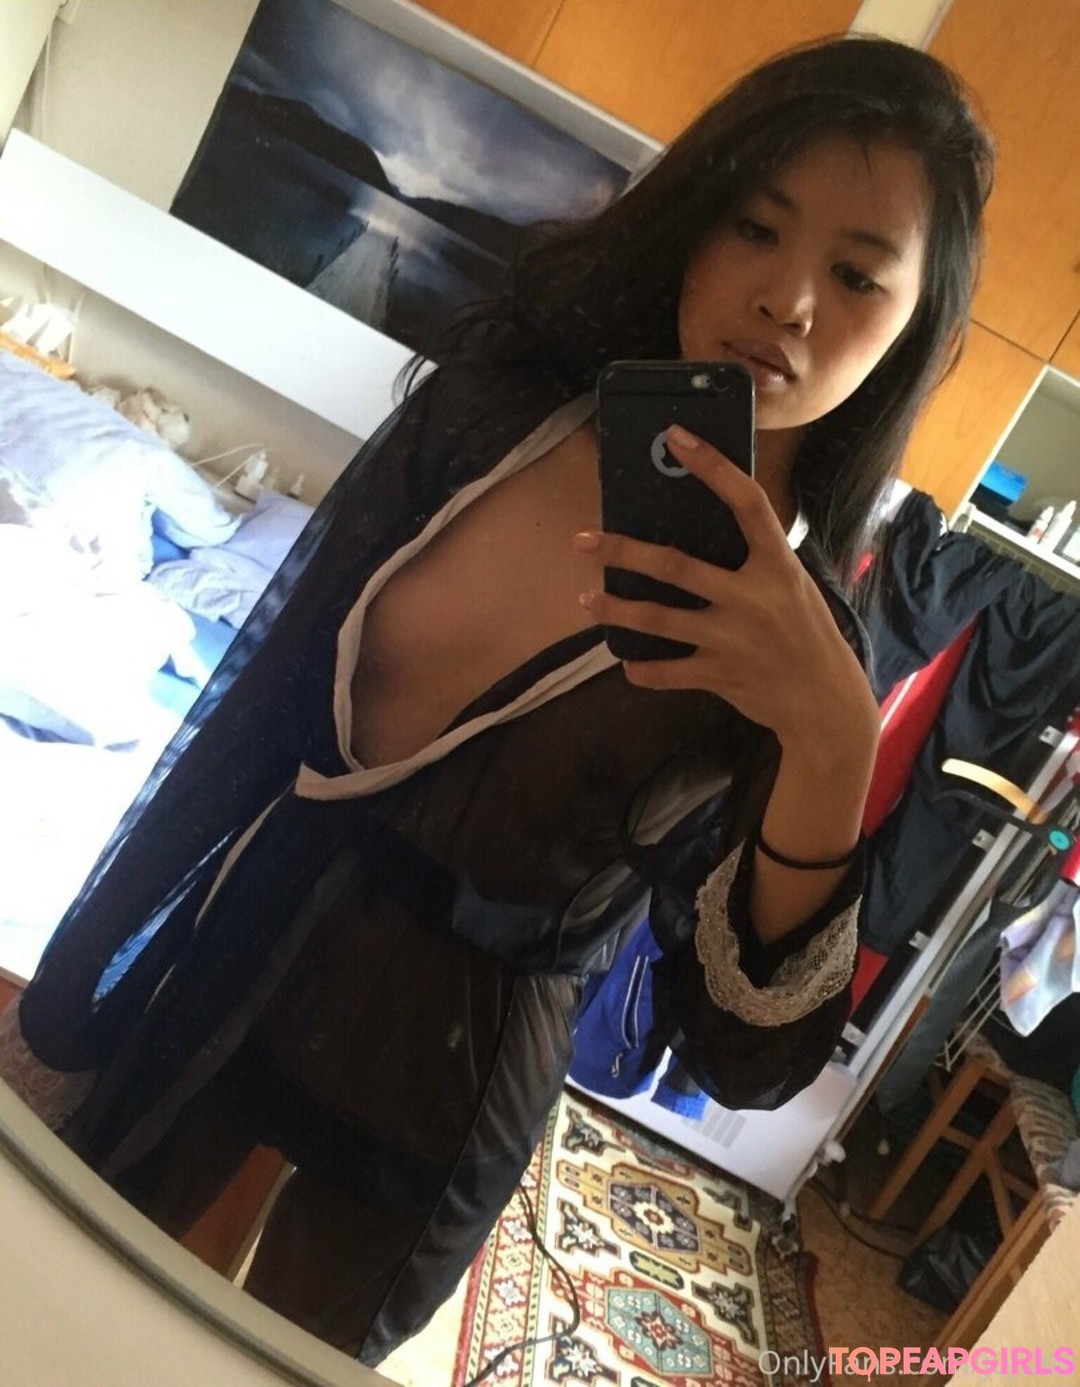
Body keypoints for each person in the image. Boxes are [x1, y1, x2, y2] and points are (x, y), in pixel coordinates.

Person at [0, 33, 992, 1366]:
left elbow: (741, 1058)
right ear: (697, 225)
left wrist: (829, 742)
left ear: (916, 326)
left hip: (443, 1087)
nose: (789, 300)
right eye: (756, 227)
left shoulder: (804, 646)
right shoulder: (485, 419)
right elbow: (262, 704)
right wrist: (88, 967)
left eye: (859, 274)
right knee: (68, 1323)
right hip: (249, 942)